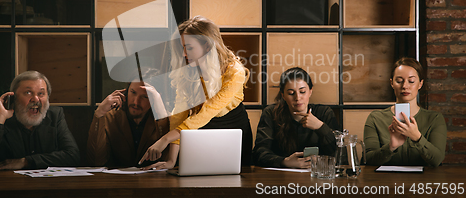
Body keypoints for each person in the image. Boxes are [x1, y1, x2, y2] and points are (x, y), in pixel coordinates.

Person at [139, 15, 253, 169]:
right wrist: (172, 161)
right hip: (201, 127)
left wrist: (164, 140)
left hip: (234, 129)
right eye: (183, 48)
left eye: (189, 48)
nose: (185, 54)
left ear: (207, 46)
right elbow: (179, 116)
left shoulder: (234, 71)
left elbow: (207, 111)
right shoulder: (188, 71)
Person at [0, 71, 80, 172]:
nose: (36, 99)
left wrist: (26, 162)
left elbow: (72, 156)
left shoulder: (55, 116)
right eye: (28, 93)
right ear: (13, 98)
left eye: (41, 93)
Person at [364, 57, 447, 167]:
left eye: (411, 81)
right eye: (399, 81)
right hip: (385, 183)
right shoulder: (376, 118)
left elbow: (437, 160)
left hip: (424, 183)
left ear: (420, 84)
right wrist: (391, 147)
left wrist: (417, 137)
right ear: (392, 83)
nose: (405, 86)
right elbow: (368, 160)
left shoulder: (435, 118)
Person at [252, 67, 339, 168]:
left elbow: (339, 154)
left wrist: (320, 127)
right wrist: (285, 161)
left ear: (310, 91)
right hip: (280, 178)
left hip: (317, 176)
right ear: (283, 95)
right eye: (291, 93)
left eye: (302, 92)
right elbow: (259, 153)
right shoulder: (271, 113)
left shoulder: (324, 113)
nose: (297, 98)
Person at [87, 68, 170, 168]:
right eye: (133, 92)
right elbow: (96, 161)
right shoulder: (111, 116)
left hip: (153, 180)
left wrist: (161, 116)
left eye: (145, 97)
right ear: (126, 91)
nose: (135, 102)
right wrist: (99, 113)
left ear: (156, 98)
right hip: (117, 181)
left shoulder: (164, 119)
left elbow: (166, 160)